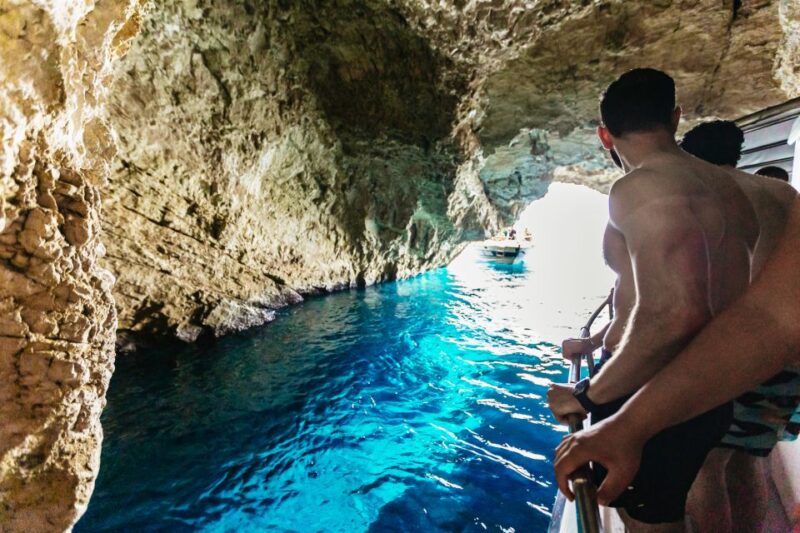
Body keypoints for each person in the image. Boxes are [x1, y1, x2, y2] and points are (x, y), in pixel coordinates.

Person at [546, 68, 759, 531]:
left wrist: (586, 393)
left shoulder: (637, 186)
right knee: (669, 512)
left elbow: (676, 311)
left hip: (649, 392)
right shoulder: (734, 191)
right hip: (710, 390)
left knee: (646, 525)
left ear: (605, 135)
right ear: (676, 118)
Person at [553, 197, 800, 513]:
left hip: (707, 361)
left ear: (607, 142)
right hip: (773, 367)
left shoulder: (654, 194)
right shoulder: (772, 195)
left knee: (707, 472)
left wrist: (594, 398)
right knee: (741, 464)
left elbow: (671, 309)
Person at [680, 121, 799, 531]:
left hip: (737, 351)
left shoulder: (704, 198)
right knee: (748, 460)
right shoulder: (785, 195)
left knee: (705, 464)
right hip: (788, 351)